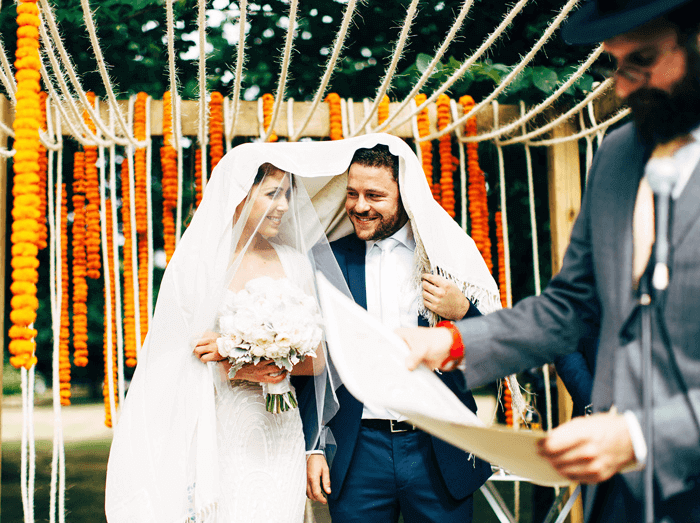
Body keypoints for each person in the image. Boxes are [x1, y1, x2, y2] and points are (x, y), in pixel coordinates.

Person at [399, 1, 700, 521]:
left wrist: (640, 435)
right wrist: (449, 341)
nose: (624, 86)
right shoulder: (619, 153)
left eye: (643, 60)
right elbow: (571, 304)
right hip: (616, 494)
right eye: (614, 64)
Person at [106, 152, 348, 522]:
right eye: (272, 194)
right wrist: (236, 369)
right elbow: (168, 362)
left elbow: (317, 362)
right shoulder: (199, 268)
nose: (284, 205)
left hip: (283, 431)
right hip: (222, 429)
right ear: (239, 195)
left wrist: (273, 355)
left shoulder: (296, 263)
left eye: (287, 194)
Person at [305, 143, 497, 523]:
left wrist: (464, 311)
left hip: (438, 448)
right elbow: (314, 360)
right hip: (358, 450)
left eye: (375, 196)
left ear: (405, 195)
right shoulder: (327, 259)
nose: (359, 206)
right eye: (352, 193)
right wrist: (311, 446)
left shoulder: (448, 256)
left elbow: (496, 347)